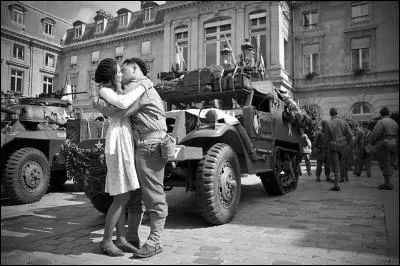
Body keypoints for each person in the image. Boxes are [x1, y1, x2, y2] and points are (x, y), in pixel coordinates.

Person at [93, 57, 168, 258]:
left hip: (148, 145)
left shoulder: (138, 86)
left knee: (152, 196)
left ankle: (154, 241)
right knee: (133, 196)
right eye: (118, 72)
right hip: (138, 146)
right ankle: (130, 238)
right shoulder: (138, 86)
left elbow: (118, 109)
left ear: (135, 70)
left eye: (123, 71)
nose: (121, 76)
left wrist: (99, 102)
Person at [368, 106, 399, 190]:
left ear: (381, 114)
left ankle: (387, 183)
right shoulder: (394, 122)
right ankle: (388, 182)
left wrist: (370, 142)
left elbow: (375, 134)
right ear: (388, 113)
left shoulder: (381, 122)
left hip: (384, 144)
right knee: (390, 162)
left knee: (384, 163)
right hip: (393, 143)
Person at [327, 107, 354, 191]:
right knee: (343, 163)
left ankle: (337, 184)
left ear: (330, 114)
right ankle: (342, 178)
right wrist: (344, 142)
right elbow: (350, 134)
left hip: (334, 146)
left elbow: (326, 138)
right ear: (337, 113)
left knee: (336, 165)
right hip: (343, 146)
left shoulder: (329, 123)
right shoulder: (344, 122)